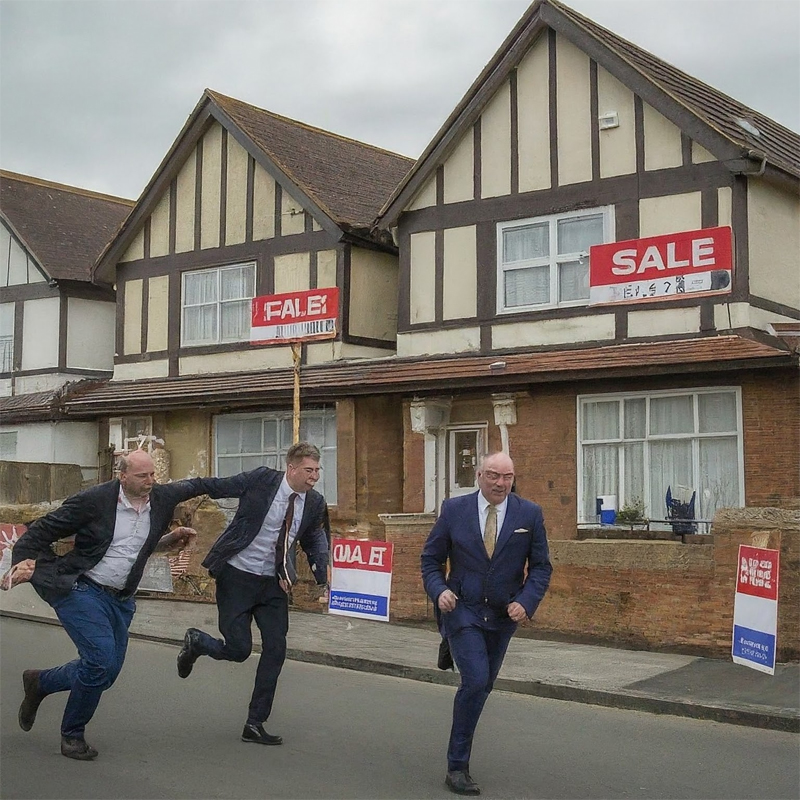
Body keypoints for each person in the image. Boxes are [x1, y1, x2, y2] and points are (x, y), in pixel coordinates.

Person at [2, 449, 207, 761]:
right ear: (122, 476)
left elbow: (129, 546)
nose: (151, 481)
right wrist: (23, 564)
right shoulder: (95, 501)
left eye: (153, 474)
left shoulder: (155, 503)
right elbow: (42, 530)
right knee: (99, 661)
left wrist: (169, 540)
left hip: (121, 599)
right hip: (82, 589)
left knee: (106, 674)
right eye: (143, 475)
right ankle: (72, 735)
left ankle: (40, 682)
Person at [175, 441, 330, 747]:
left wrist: (323, 577)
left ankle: (255, 723)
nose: (314, 476)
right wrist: (175, 490)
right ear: (291, 468)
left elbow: (314, 538)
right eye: (309, 470)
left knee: (276, 649)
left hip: (273, 582)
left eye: (317, 470)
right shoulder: (261, 480)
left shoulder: (314, 502)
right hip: (237, 576)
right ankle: (198, 642)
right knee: (239, 649)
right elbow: (218, 486)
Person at [421, 452, 552, 796]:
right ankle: (457, 767)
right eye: (493, 475)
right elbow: (431, 560)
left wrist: (526, 602)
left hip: (501, 615)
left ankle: (451, 647)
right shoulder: (454, 510)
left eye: (507, 477)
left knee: (484, 685)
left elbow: (541, 567)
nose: (500, 483)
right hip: (462, 609)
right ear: (479, 475)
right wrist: (439, 591)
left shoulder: (529, 514)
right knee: (476, 680)